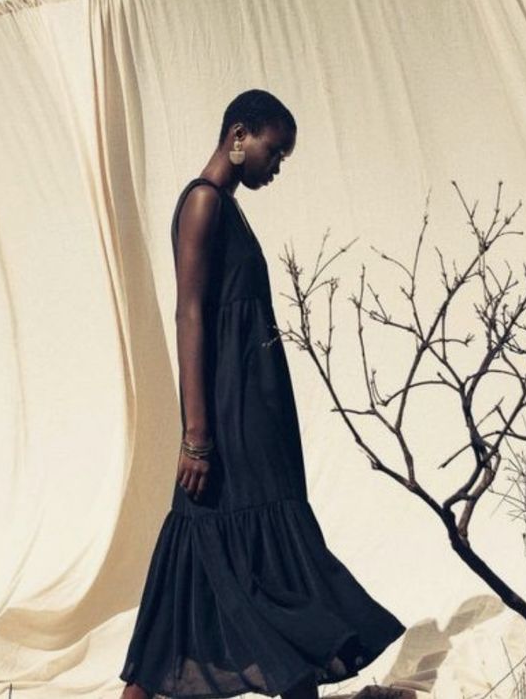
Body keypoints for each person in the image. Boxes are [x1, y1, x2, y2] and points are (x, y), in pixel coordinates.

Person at [119, 89, 405, 699]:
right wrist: (196, 437)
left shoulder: (228, 206)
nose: (276, 167)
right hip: (227, 415)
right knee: (228, 547)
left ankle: (289, 686)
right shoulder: (203, 202)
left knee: (232, 554)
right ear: (239, 135)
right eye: (275, 152)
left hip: (254, 412)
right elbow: (189, 316)